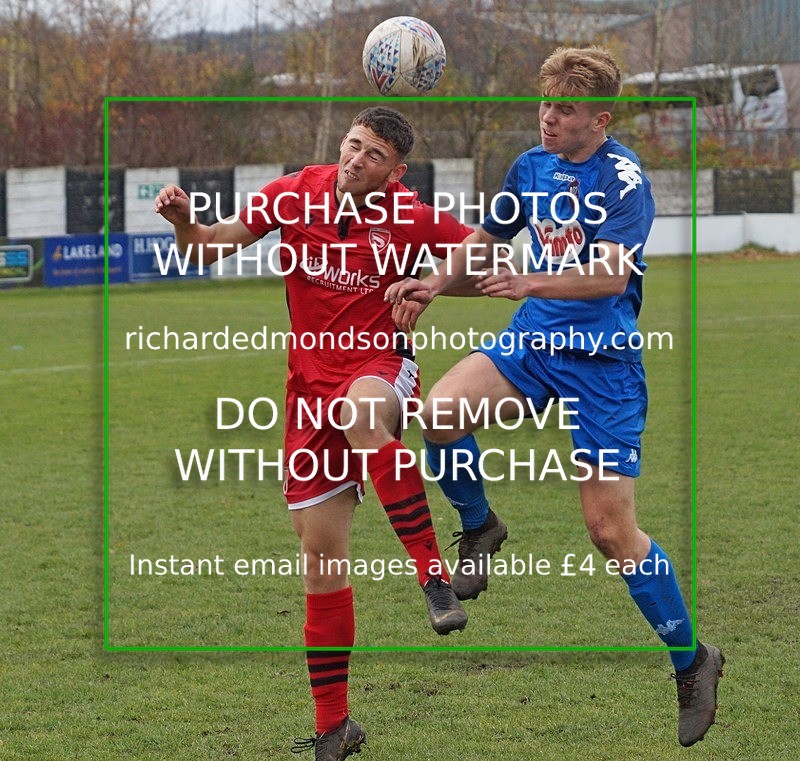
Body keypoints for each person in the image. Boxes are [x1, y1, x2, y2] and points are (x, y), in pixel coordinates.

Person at [386, 47, 724, 748]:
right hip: (533, 344)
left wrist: (531, 281)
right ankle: (480, 525)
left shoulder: (624, 180)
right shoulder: (530, 166)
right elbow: (484, 242)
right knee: (440, 412)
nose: (548, 117)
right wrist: (430, 284)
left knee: (609, 532)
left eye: (565, 108)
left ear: (600, 117)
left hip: (600, 365)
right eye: (544, 103)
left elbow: (607, 277)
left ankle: (692, 662)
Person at [155, 106, 473, 761]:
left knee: (363, 413)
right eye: (354, 146)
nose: (358, 160)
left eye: (374, 155)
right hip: (307, 393)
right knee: (321, 562)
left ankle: (433, 576)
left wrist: (434, 284)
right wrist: (185, 222)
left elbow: (482, 250)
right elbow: (207, 245)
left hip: (378, 367)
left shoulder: (409, 212)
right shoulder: (295, 191)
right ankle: (335, 725)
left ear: (396, 170)